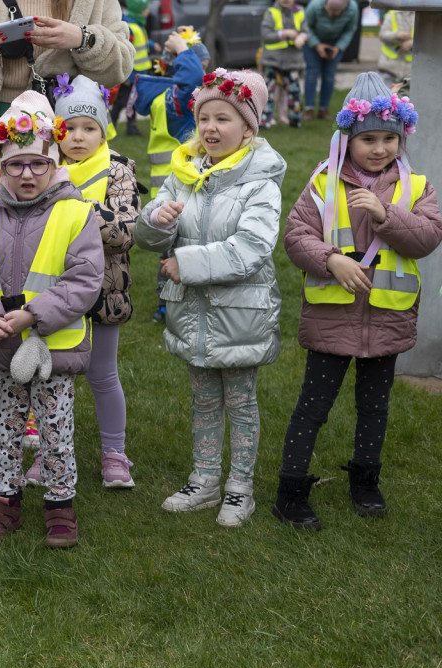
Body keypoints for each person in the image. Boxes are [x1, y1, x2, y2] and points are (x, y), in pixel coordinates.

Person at [0, 0, 134, 449]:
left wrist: (81, 39)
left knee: (41, 271)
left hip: (48, 150)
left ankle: (32, 407)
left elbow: (121, 64)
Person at [272, 73, 442, 530]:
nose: (380, 148)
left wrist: (387, 217)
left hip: (387, 318)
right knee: (313, 406)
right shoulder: (323, 185)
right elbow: (295, 238)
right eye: (368, 138)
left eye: (390, 138)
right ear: (347, 138)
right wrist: (330, 262)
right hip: (332, 317)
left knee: (375, 407)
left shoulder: (417, 187)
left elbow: (427, 237)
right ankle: (290, 489)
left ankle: (365, 481)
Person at [0, 90, 104, 548]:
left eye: (38, 163)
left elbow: (85, 279)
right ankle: (5, 500)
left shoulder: (76, 214)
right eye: (16, 164)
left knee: (56, 430)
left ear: (54, 162)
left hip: (53, 349)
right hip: (2, 347)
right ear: (1, 166)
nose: (27, 174)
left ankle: (60, 504)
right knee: (6, 427)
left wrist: (32, 315)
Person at [135, 70, 284, 528]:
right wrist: (157, 220)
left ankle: (240, 488)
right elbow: (148, 236)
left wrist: (189, 263)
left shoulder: (259, 182)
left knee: (240, 401)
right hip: (193, 315)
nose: (211, 128)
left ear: (249, 128)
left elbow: (252, 249)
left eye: (224, 118)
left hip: (239, 315)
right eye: (204, 118)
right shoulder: (184, 174)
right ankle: (204, 481)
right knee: (203, 400)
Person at [50, 74, 139, 488]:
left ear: (104, 130)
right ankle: (53, 451)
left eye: (90, 128)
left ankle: (114, 452)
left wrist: (77, 207)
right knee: (53, 376)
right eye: (69, 128)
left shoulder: (118, 169)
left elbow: (123, 233)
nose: (79, 137)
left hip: (105, 291)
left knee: (103, 375)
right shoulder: (45, 167)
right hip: (55, 292)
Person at [133, 30, 209, 323]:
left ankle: (164, 307)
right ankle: (171, 305)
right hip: (184, 190)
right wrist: (183, 51)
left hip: (161, 191)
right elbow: (192, 81)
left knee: (167, 250)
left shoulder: (158, 97)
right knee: (180, 250)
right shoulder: (179, 102)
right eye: (203, 68)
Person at [302, 0, 359, 121]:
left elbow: (349, 30)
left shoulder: (353, 9)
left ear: (344, 10)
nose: (330, 14)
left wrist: (338, 47)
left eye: (335, 12)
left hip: (335, 42)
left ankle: (323, 108)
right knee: (312, 71)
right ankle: (309, 108)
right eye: (329, 10)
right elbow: (306, 27)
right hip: (312, 42)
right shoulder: (315, 5)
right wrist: (317, 45)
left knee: (329, 75)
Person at [259, 0, 307, 128]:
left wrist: (302, 37)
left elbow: (307, 32)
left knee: (295, 92)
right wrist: (285, 34)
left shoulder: (300, 12)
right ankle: (264, 122)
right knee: (267, 92)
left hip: (292, 61)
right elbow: (266, 35)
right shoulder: (271, 12)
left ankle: (295, 121)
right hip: (271, 60)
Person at [108, 0, 153, 136]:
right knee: (121, 102)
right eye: (146, 9)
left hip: (139, 74)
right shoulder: (130, 27)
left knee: (131, 101)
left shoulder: (139, 25)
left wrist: (152, 45)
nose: (148, 11)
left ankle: (130, 127)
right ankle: (111, 123)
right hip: (131, 74)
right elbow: (125, 52)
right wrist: (126, 74)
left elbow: (143, 42)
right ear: (139, 11)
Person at [377, 10, 414, 86]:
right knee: (385, 94)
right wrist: (397, 35)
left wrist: (412, 43)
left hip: (410, 66)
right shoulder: (392, 14)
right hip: (389, 64)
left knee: (407, 95)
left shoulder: (421, 15)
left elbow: (429, 37)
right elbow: (382, 34)